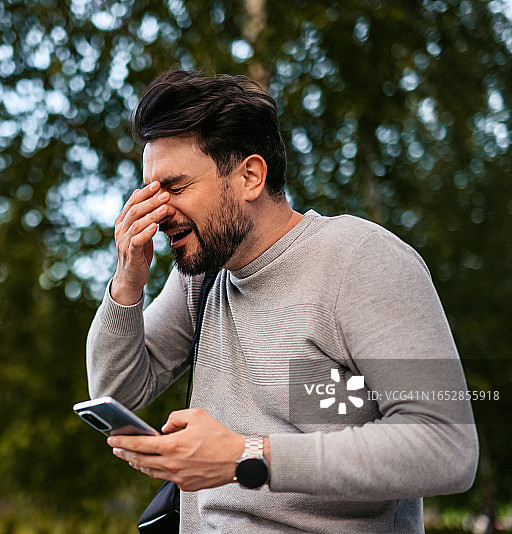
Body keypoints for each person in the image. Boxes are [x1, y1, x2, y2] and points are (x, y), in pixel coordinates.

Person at [85, 68, 478, 533]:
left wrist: (248, 457)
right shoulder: (202, 276)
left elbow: (447, 447)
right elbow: (114, 394)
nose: (156, 211)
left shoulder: (360, 261)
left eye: (174, 187)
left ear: (250, 175)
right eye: (148, 192)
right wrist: (129, 276)